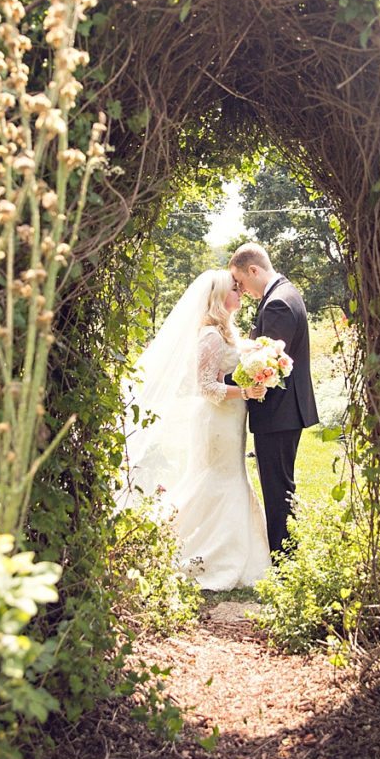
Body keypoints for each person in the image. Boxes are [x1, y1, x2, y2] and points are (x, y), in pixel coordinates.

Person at [121, 268, 270, 590]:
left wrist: (261, 353)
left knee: (230, 477)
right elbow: (206, 387)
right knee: (216, 480)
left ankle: (237, 552)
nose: (240, 292)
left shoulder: (224, 332)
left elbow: (235, 355)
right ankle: (194, 551)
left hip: (230, 418)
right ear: (218, 296)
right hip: (216, 420)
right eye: (234, 288)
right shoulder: (209, 335)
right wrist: (244, 391)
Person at [227, 243, 319, 558]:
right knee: (280, 485)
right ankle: (285, 553)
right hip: (285, 412)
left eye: (240, 281)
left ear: (254, 270)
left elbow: (268, 366)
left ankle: (283, 558)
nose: (241, 289)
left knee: (277, 488)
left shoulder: (278, 303)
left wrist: (221, 381)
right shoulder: (284, 293)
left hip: (279, 412)